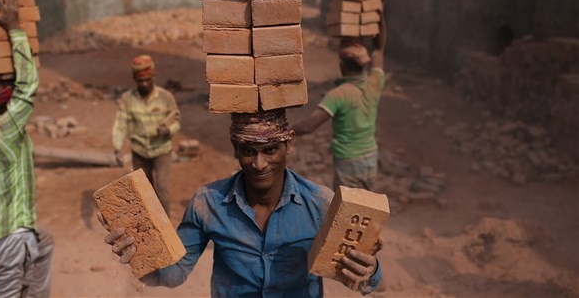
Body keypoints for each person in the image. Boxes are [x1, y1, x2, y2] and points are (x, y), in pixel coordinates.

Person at [100, 109, 383, 297]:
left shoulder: (321, 204)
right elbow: (175, 274)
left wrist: (369, 271)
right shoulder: (207, 203)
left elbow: (366, 282)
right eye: (249, 151)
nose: (259, 164)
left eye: (270, 150)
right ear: (235, 148)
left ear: (289, 145)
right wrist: (142, 255)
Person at [0, 0, 54, 298]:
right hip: (8, 238)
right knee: (8, 290)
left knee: (45, 244)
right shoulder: (7, 129)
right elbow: (28, 85)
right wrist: (15, 30)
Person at [292, 11, 387, 192]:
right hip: (370, 159)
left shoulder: (338, 94)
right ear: (364, 65)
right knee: (367, 206)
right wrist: (380, 20)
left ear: (342, 65)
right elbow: (379, 49)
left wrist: (285, 131)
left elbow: (309, 126)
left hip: (348, 162)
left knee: (347, 212)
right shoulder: (374, 83)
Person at [112, 54, 180, 215]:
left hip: (161, 150)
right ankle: (149, 225)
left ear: (153, 77)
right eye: (140, 81)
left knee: (162, 188)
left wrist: (168, 130)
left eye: (147, 80)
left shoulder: (165, 97)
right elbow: (121, 124)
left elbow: (176, 120)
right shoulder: (127, 99)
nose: (144, 84)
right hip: (139, 151)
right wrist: (117, 147)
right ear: (134, 79)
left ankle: (166, 228)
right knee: (144, 189)